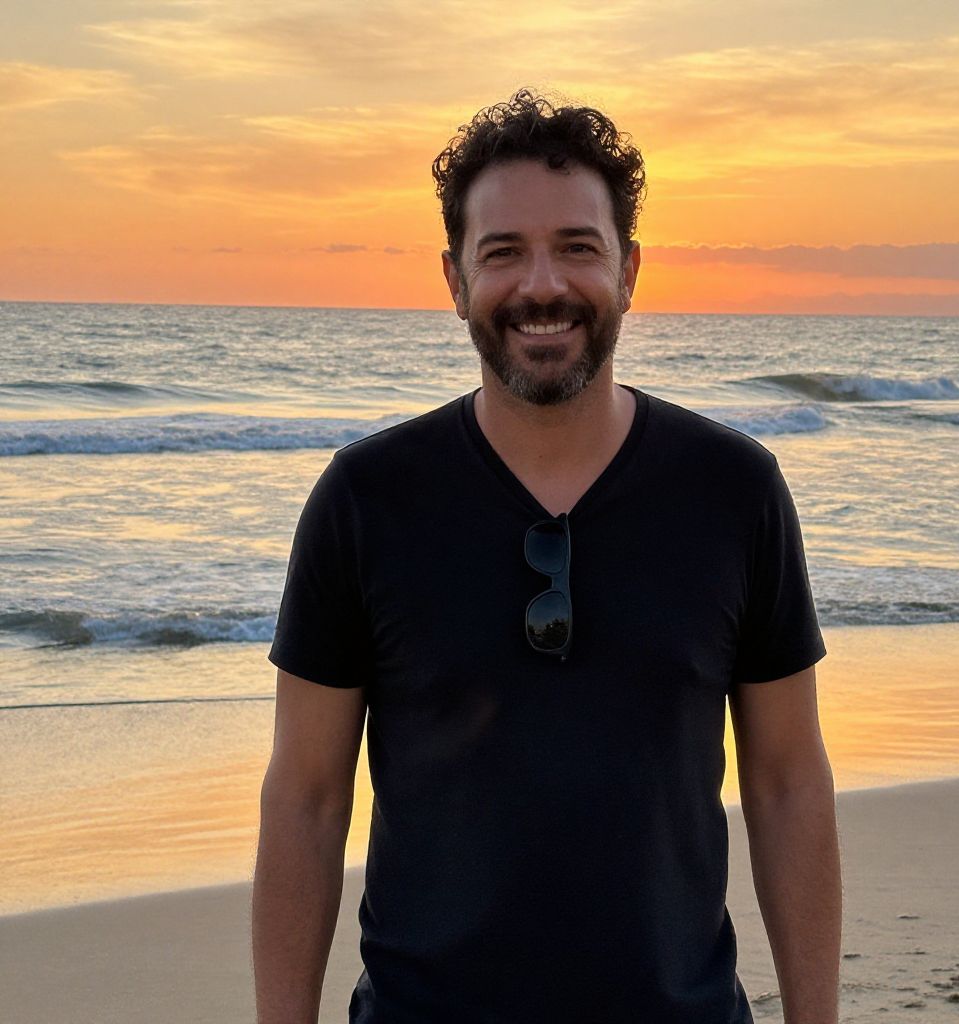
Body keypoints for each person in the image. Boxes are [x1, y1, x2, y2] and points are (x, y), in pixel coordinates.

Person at [252, 89, 841, 1024]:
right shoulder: (366, 501)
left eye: (577, 247)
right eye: (503, 253)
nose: (542, 286)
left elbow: (787, 782)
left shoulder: (734, 491)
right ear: (454, 279)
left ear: (631, 268)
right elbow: (307, 801)